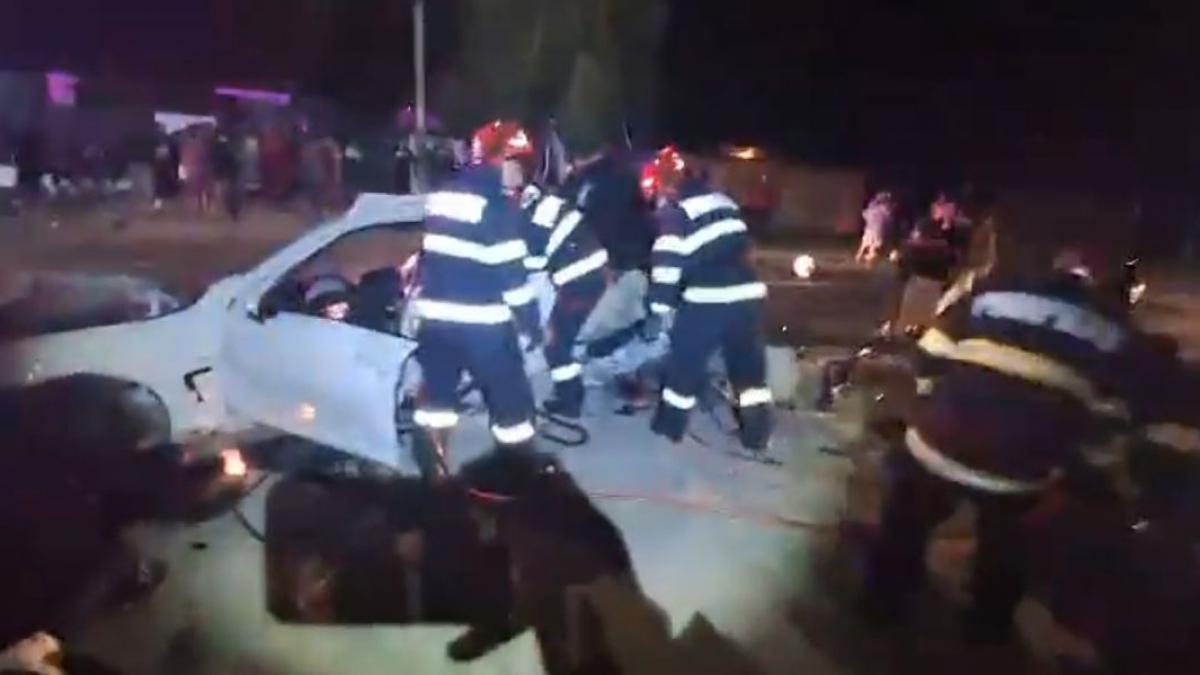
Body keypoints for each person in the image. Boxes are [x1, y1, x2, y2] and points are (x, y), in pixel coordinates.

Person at [859, 245, 1162, 644]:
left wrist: (933, 407)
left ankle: (882, 606)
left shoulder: (992, 292)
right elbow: (1105, 427)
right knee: (1008, 544)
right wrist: (1071, 473)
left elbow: (928, 357)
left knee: (906, 516)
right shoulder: (1115, 335)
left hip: (941, 440)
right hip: (1021, 468)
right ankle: (988, 627)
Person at [410, 120, 542, 480]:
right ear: (500, 160)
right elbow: (513, 280)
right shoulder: (498, 207)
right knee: (512, 404)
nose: (521, 175)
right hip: (484, 327)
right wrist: (532, 325)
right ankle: (518, 474)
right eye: (518, 164)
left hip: (435, 323)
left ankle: (432, 474)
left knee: (436, 401)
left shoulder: (442, 196)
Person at [642, 147, 773, 453]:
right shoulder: (723, 201)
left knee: (684, 362)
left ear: (664, 184)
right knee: (748, 368)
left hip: (707, 298)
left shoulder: (675, 212)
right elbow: (744, 246)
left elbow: (667, 266)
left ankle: (669, 426)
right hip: (749, 294)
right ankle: (757, 434)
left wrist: (658, 311)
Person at [518, 159, 611, 419]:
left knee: (557, 343)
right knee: (560, 342)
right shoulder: (541, 201)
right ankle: (570, 396)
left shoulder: (538, 208)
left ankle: (570, 401)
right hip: (586, 276)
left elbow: (534, 260)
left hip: (581, 280)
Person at [857, 191, 894, 265]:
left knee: (866, 245)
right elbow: (888, 222)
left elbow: (865, 215)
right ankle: (868, 259)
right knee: (873, 247)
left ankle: (864, 257)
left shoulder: (872, 209)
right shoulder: (885, 211)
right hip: (877, 231)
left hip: (871, 230)